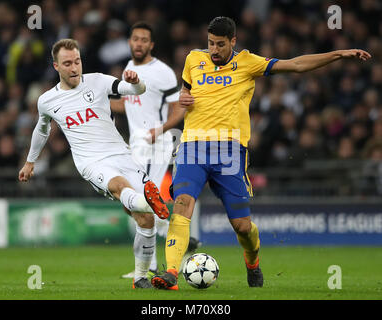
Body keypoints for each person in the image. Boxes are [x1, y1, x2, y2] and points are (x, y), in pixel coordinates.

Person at [151, 16, 371, 290]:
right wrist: (183, 100)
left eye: (220, 44)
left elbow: (296, 65)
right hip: (192, 147)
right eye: (210, 44)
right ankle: (171, 273)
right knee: (182, 203)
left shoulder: (248, 62)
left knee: (242, 226)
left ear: (233, 41)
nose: (215, 50)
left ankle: (252, 263)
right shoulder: (193, 59)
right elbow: (185, 93)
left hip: (229, 152)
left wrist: (338, 54)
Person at [18, 38, 170, 289]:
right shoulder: (47, 100)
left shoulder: (98, 80)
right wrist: (30, 162)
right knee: (120, 187)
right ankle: (149, 202)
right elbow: (41, 130)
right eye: (67, 63)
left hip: (122, 154)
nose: (74, 67)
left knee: (146, 221)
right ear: (56, 66)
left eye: (77, 61)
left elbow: (135, 91)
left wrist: (136, 82)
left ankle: (141, 276)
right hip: (91, 162)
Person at [110, 22, 200, 278]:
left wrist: (160, 130)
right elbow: (129, 106)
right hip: (137, 144)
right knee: (134, 204)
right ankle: (181, 237)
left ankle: (149, 266)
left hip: (156, 144)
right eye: (135, 38)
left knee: (142, 199)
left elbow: (179, 107)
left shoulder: (162, 72)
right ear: (129, 41)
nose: (139, 43)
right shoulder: (129, 68)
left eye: (144, 40)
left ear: (151, 44)